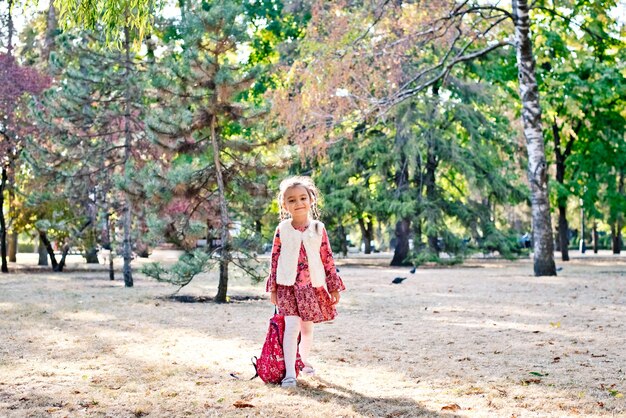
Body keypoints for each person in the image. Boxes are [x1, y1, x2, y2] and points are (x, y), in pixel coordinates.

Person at [266, 176, 346, 388]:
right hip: (287, 287)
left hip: (311, 287)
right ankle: (290, 374)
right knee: (291, 328)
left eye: (303, 197)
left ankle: (303, 360)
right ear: (284, 205)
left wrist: (333, 286)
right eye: (291, 200)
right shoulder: (282, 229)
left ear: (311, 199)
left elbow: (327, 257)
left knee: (307, 329)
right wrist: (273, 287)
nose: (298, 203)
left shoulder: (318, 228)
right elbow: (275, 258)